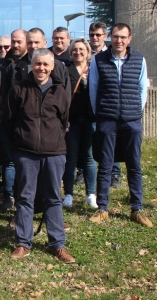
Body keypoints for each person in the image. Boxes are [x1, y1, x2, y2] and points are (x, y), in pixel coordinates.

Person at [3, 48, 75, 264]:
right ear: (31, 65)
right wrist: (20, 140)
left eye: (45, 64)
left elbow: (64, 121)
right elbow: (8, 121)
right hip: (26, 153)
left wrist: (53, 141)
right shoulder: (18, 90)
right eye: (37, 64)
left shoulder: (60, 91)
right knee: (25, 198)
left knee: (53, 197)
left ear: (52, 67)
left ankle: (57, 245)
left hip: (54, 153)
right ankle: (23, 243)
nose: (41, 68)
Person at [88, 23, 152, 227]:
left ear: (129, 39)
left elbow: (143, 89)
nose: (119, 40)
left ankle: (137, 208)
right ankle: (103, 208)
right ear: (110, 37)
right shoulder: (99, 60)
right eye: (116, 36)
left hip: (131, 122)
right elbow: (93, 89)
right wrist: (101, 114)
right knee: (105, 165)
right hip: (107, 120)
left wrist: (135, 111)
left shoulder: (139, 60)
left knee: (134, 165)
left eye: (123, 37)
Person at [61, 38, 97, 209]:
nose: (78, 52)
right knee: (71, 158)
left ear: (87, 52)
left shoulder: (93, 69)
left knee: (89, 157)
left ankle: (91, 193)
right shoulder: (65, 69)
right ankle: (68, 193)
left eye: (82, 49)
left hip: (90, 119)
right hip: (72, 120)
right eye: (75, 49)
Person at [0, 29, 28, 212]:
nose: (15, 45)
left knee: (25, 161)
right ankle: (8, 195)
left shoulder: (33, 64)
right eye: (13, 42)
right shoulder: (7, 66)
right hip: (9, 120)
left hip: (28, 122)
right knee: (8, 160)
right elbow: (5, 94)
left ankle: (23, 195)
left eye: (19, 42)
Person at [88, 22, 122, 188]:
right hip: (92, 105)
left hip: (109, 106)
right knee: (93, 142)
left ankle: (114, 173)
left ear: (105, 36)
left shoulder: (111, 55)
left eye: (98, 35)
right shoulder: (85, 53)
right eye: (92, 35)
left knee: (112, 142)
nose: (95, 38)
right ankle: (87, 172)